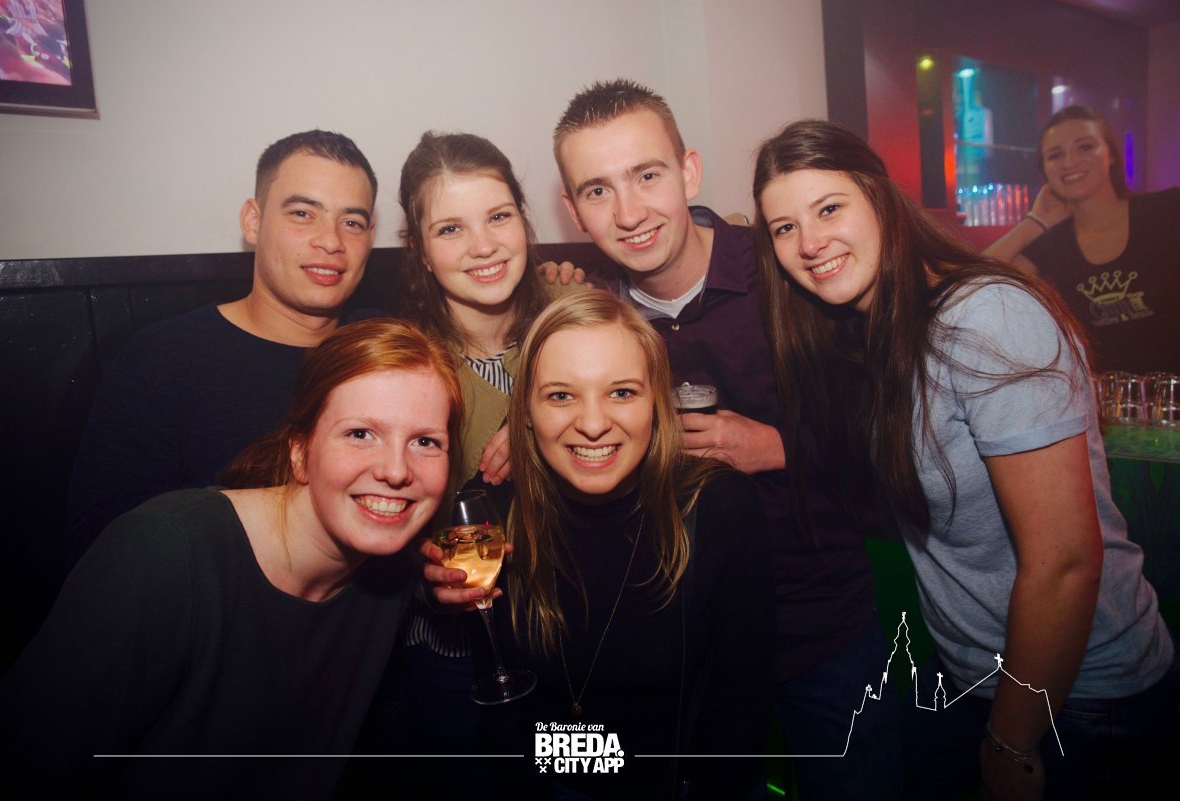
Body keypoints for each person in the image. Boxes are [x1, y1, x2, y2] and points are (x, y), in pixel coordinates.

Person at [752, 118, 1179, 801]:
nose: (808, 243)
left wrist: (1011, 744)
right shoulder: (870, 332)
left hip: (1080, 698)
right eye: (783, 227)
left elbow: (1066, 562)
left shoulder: (985, 318)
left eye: (829, 208)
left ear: (881, 199)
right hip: (968, 674)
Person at [548, 78, 900, 800]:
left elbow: (900, 442)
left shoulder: (791, 266)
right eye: (598, 190)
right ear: (574, 209)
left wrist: (779, 446)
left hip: (818, 626)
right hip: (683, 645)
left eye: (647, 175)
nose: (629, 212)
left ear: (689, 172)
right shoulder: (596, 320)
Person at [0, 319, 463, 799]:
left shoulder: (389, 570)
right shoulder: (166, 553)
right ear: (300, 452)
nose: (396, 470)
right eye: (360, 433)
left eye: (425, 442)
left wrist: (431, 584)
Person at [428, 291, 773, 800]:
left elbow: (743, 701)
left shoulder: (720, 507)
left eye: (622, 392)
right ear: (524, 413)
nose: (592, 424)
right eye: (560, 396)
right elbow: (497, 691)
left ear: (657, 403)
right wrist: (438, 593)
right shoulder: (492, 514)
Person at [64, 129, 380, 570]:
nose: (331, 241)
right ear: (253, 221)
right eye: (303, 213)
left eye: (352, 222)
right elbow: (102, 540)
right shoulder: (164, 357)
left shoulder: (384, 347)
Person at [384, 131, 579, 766]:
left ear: (524, 218)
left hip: (582, 637)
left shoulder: (577, 322)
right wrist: (421, 578)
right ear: (420, 252)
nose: (484, 246)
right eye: (450, 229)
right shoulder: (402, 367)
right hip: (458, 660)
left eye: (498, 216)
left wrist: (544, 423)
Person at [983, 105, 1179, 373]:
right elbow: (973, 280)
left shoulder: (1167, 210)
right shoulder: (1054, 243)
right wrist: (1034, 222)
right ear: (1045, 171)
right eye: (1055, 155)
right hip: (1101, 396)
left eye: (1085, 147)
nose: (1069, 162)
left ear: (1111, 154)